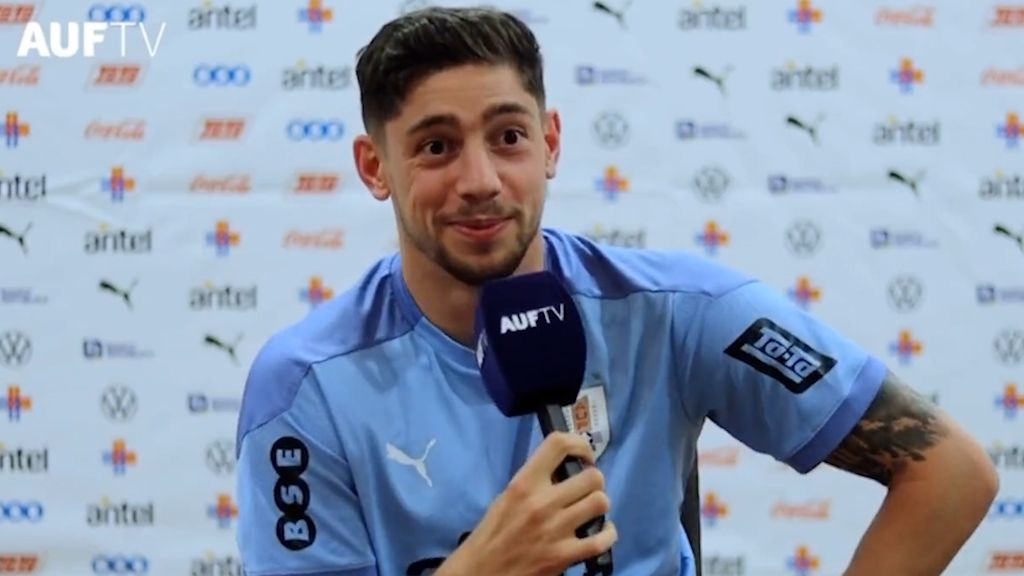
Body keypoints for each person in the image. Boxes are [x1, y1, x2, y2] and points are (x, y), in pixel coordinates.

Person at [234, 6, 999, 575]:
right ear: (375, 168)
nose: (480, 181)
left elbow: (951, 472)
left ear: (551, 143)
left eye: (508, 136)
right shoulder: (306, 388)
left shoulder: (673, 312)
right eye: (436, 147)